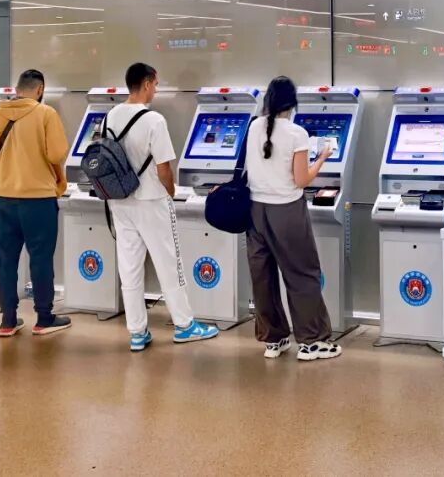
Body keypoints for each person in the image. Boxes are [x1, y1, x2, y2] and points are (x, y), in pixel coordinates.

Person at [104, 62, 219, 351]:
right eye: (155, 84)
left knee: (129, 268)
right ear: (145, 84)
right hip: (152, 201)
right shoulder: (154, 120)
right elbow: (164, 168)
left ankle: (137, 332)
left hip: (120, 201)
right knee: (169, 263)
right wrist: (170, 193)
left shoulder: (110, 116)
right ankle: (184, 325)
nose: (155, 89)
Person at [245, 76, 341, 361]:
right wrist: (322, 156)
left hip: (255, 212)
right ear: (292, 101)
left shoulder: (253, 127)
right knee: (302, 274)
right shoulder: (297, 133)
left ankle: (274, 340)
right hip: (286, 212)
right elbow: (301, 180)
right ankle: (312, 342)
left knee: (262, 277)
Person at [0, 69, 71, 338]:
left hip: (4, 200)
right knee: (40, 259)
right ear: (40, 90)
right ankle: (44, 318)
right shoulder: (46, 115)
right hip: (38, 199)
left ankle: (7, 321)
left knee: (6, 260)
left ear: (16, 88)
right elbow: (56, 153)